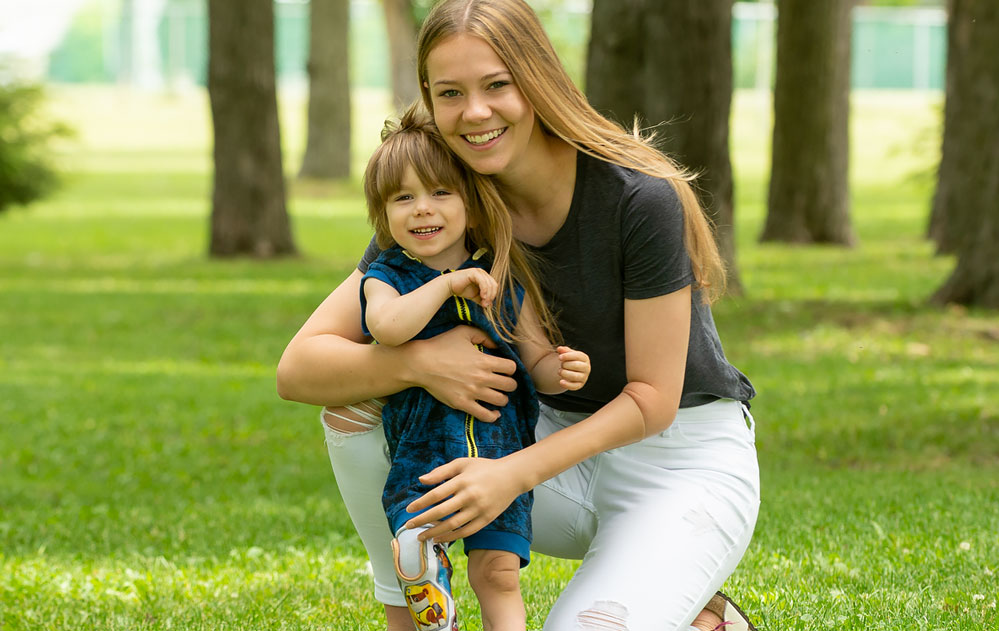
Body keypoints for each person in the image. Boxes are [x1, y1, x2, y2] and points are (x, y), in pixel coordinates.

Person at [277, 0, 761, 629]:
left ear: (537, 79)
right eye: (450, 93)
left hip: (677, 463)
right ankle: (415, 609)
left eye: (497, 85)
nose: (474, 113)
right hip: (541, 439)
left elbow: (652, 399)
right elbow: (299, 369)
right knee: (355, 406)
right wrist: (420, 361)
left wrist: (509, 474)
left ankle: (701, 616)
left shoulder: (636, 197)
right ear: (428, 97)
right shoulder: (441, 199)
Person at [356, 103, 591, 630]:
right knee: (422, 535)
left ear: (471, 203)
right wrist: (444, 283)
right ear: (383, 215)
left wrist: (563, 369)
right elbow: (388, 328)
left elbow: (535, 359)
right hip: (424, 454)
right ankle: (426, 576)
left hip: (501, 458)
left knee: (499, 574)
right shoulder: (387, 274)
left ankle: (433, 578)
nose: (422, 209)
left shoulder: (503, 277)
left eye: (440, 193)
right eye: (403, 198)